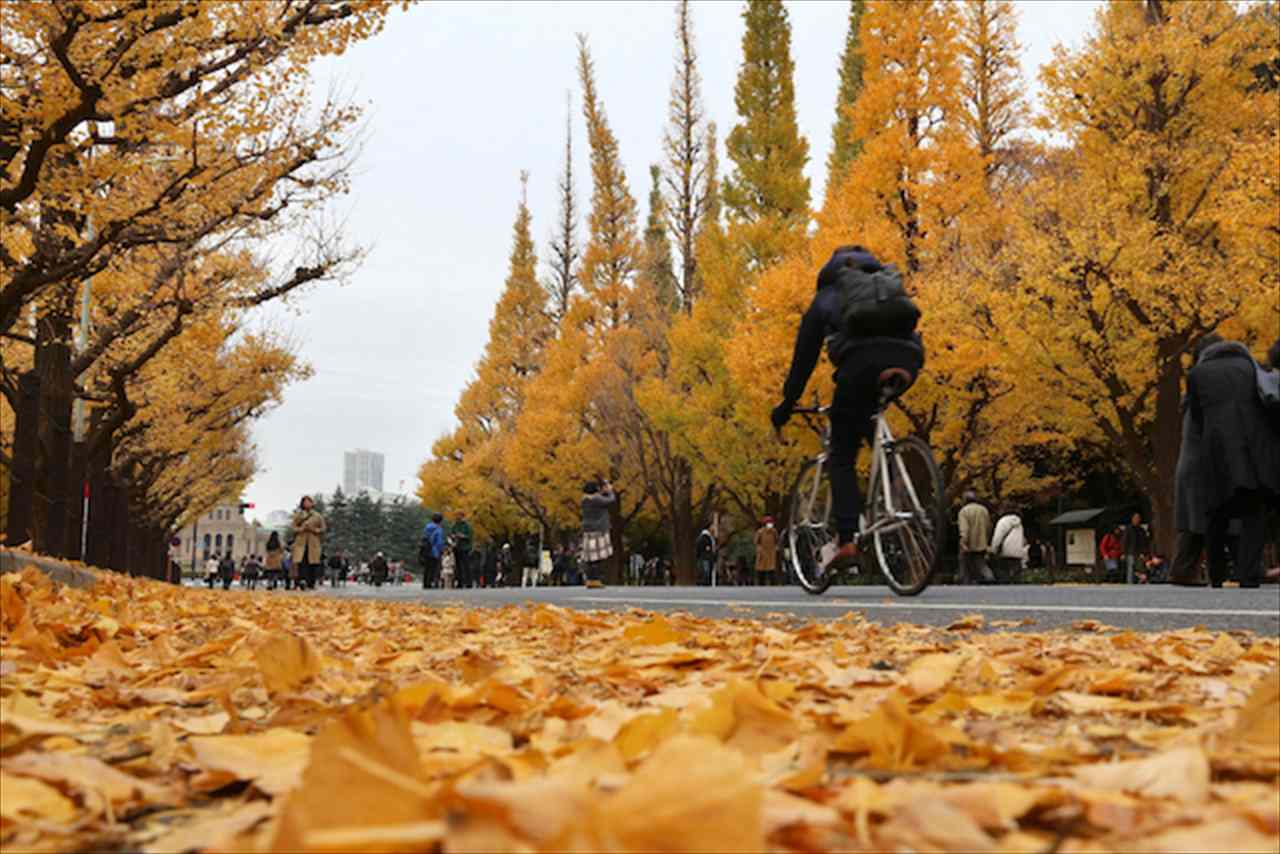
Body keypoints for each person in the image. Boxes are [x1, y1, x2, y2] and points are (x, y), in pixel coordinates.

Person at [770, 245, 925, 574]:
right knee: (865, 415)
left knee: (841, 453)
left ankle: (847, 539)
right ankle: (896, 481)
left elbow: (804, 359)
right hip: (909, 359)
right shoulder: (886, 284)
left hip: (860, 365)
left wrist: (786, 403)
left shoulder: (828, 294)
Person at [1172, 336, 1280, 588]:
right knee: (1252, 511)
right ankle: (1249, 573)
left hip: (1210, 452)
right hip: (1251, 448)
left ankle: (1217, 574)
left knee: (1214, 513)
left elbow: (1196, 418)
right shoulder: (1252, 369)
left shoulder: (1197, 375)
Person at [581, 480, 616, 588]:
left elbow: (601, 498)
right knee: (598, 556)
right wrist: (610, 491)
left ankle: (590, 579)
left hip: (588, 530)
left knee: (590, 557)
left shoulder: (585, 500)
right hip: (599, 530)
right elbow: (611, 500)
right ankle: (596, 579)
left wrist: (603, 491)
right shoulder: (596, 499)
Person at [958, 491, 995, 585]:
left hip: (969, 544)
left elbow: (964, 528)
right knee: (981, 563)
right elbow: (988, 527)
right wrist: (986, 540)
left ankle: (965, 582)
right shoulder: (983, 510)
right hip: (981, 542)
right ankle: (989, 577)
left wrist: (963, 541)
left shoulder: (964, 511)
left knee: (965, 565)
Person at [290, 495, 325, 590]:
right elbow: (293, 527)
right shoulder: (298, 515)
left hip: (313, 543)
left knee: (312, 563)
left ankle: (311, 583)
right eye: (305, 502)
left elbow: (323, 528)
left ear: (312, 503)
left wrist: (314, 529)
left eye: (308, 501)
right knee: (302, 562)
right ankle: (302, 581)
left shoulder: (317, 516)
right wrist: (301, 529)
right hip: (301, 542)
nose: (307, 504)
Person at [1122, 513, 1150, 585]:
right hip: (1130, 551)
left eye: (1138, 518)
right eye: (1135, 518)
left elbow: (1145, 542)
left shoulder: (1142, 530)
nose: (1137, 520)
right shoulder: (1128, 529)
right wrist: (1123, 552)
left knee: (1140, 568)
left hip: (1140, 552)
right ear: (1132, 519)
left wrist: (1145, 553)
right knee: (1130, 567)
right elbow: (1124, 541)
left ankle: (1139, 581)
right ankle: (1130, 582)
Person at [421, 513, 445, 589]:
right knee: (434, 568)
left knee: (427, 567)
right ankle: (432, 582)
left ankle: (425, 583)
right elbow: (439, 542)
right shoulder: (438, 529)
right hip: (434, 551)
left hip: (426, 550)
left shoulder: (427, 527)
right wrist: (441, 549)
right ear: (440, 521)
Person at [451, 512, 474, 589]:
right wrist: (453, 536)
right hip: (457, 547)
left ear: (462, 516)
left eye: (459, 515)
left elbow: (470, 536)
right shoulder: (454, 525)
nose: (457, 517)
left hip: (465, 547)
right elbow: (452, 534)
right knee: (458, 566)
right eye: (456, 515)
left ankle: (468, 583)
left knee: (466, 565)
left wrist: (462, 536)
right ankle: (459, 582)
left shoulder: (467, 526)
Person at [754, 517, 779, 586]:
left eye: (771, 523)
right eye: (768, 523)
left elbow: (777, 540)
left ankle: (773, 583)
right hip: (762, 552)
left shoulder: (774, 532)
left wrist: (776, 547)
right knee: (761, 568)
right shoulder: (760, 532)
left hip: (771, 552)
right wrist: (759, 549)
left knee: (771, 568)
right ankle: (761, 583)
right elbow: (756, 542)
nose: (770, 524)